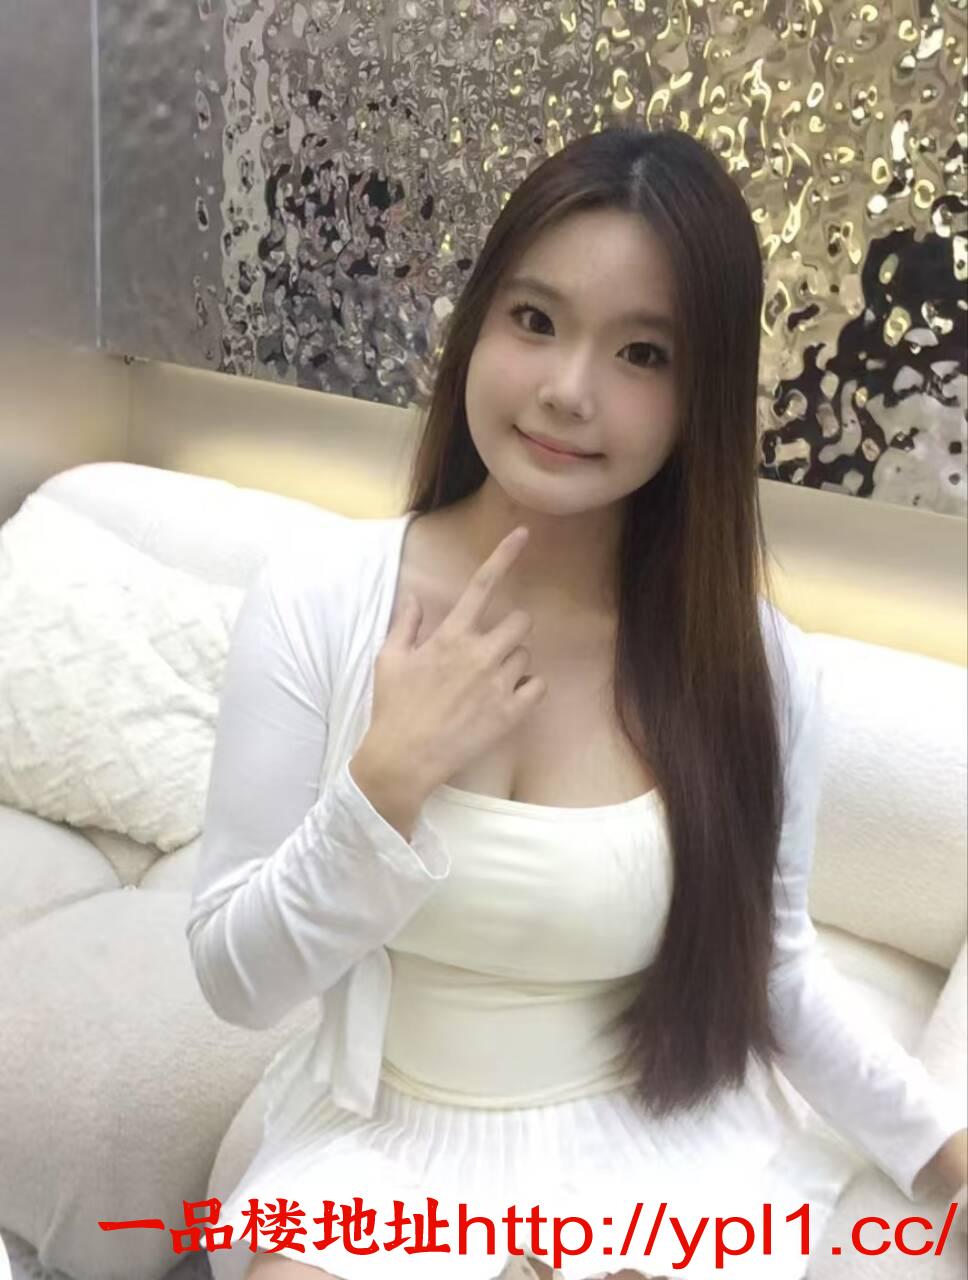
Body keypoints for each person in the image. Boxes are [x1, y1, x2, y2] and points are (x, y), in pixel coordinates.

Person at [186, 126, 967, 1280]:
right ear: (475, 328)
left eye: (641, 353)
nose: (567, 390)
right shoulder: (320, 601)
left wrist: (945, 1158)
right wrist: (382, 782)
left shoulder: (753, 666)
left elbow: (773, 968)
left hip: (648, 1145)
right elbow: (234, 981)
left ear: (698, 397)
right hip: (383, 1141)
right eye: (534, 319)